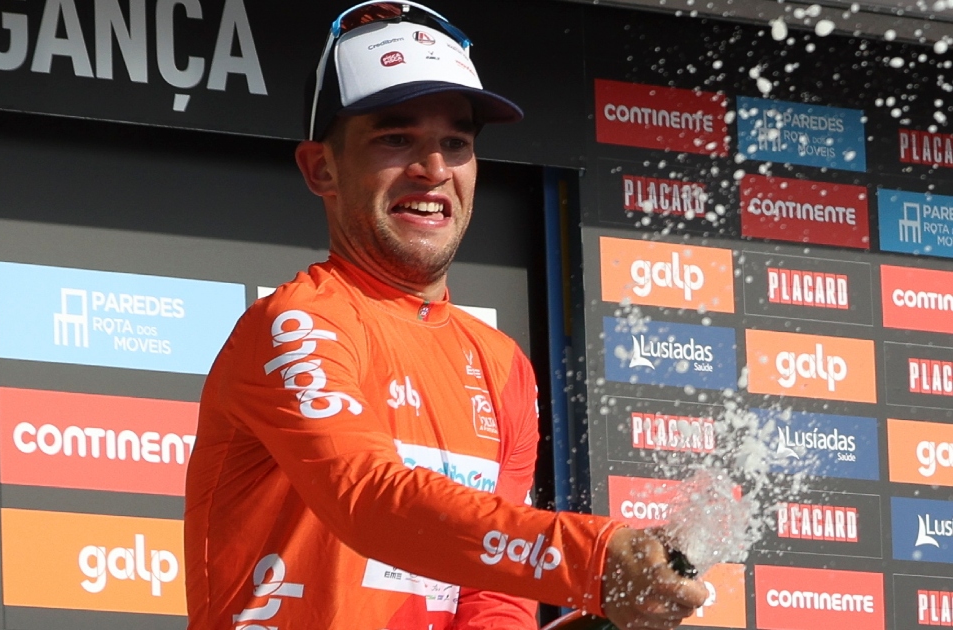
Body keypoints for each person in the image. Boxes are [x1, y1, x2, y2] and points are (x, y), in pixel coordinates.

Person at [184, 2, 709, 628]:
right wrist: (588, 559)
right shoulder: (297, 324)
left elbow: (493, 596)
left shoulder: (502, 364)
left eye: (455, 143)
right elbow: (369, 501)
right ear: (322, 168)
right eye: (395, 138)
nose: (433, 170)